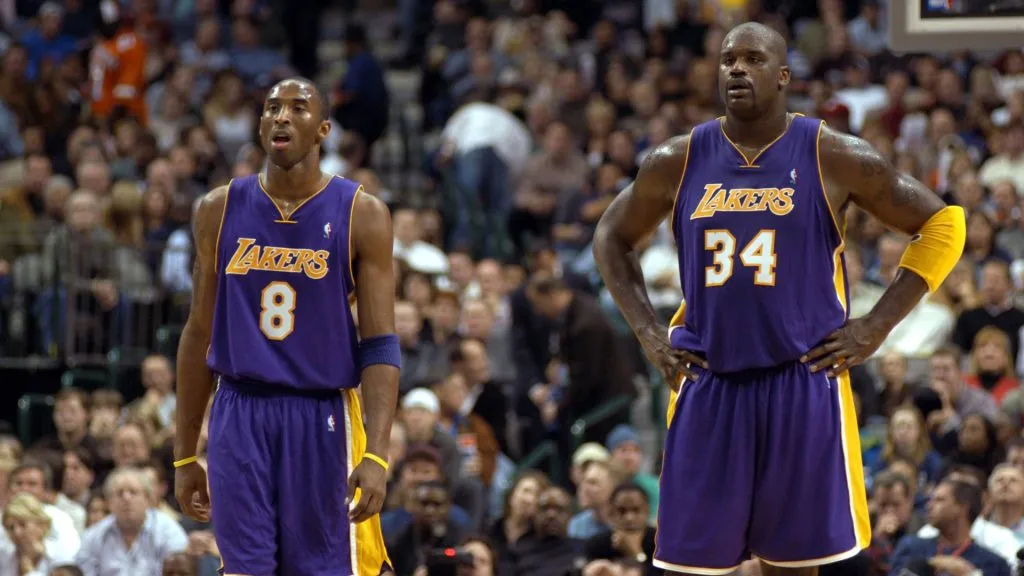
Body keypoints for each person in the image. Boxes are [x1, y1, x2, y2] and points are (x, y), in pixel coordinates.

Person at [592, 22, 966, 576]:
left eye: (753, 59)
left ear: (784, 75)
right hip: (709, 379)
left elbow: (943, 224)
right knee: (688, 568)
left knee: (792, 566)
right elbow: (610, 237)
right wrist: (648, 332)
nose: (737, 69)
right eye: (727, 59)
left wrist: (877, 326)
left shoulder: (833, 154)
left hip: (801, 379)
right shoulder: (677, 158)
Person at [172, 77, 400, 576]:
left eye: (298, 109)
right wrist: (184, 455)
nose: (281, 116)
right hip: (238, 410)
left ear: (322, 129)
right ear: (259, 126)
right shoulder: (218, 208)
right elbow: (197, 333)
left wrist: (378, 455)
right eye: (272, 108)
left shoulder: (363, 213)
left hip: (321, 414)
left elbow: (380, 344)